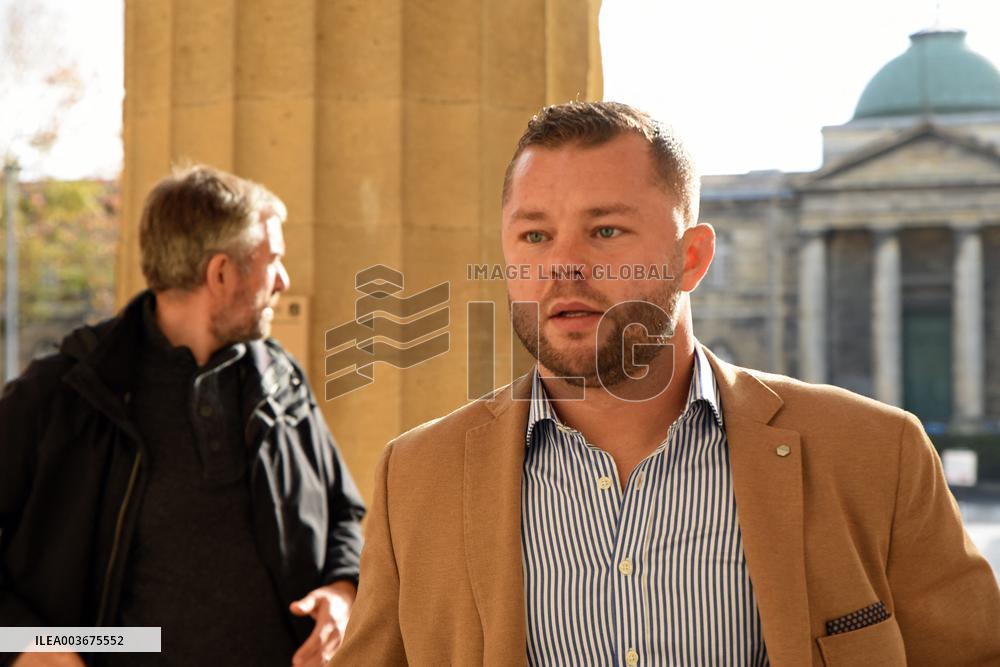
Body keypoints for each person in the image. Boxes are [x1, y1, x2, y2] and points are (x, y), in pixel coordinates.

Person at [331, 102, 1000, 666]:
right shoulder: (416, 476)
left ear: (693, 257)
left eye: (606, 230)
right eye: (534, 235)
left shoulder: (875, 452)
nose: (563, 264)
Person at [0, 166, 366, 667]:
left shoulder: (282, 382)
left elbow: (343, 512)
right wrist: (26, 644)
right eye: (274, 260)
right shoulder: (64, 393)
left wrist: (342, 591)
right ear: (221, 274)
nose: (284, 281)